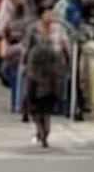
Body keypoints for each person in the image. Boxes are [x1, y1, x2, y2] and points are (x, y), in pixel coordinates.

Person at [21, 12, 71, 149]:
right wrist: (24, 65)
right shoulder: (33, 30)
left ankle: (43, 132)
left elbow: (65, 48)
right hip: (36, 70)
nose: (51, 16)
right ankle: (41, 131)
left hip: (49, 74)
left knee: (44, 106)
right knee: (37, 105)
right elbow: (26, 48)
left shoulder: (58, 29)